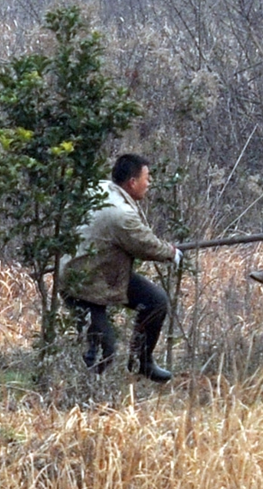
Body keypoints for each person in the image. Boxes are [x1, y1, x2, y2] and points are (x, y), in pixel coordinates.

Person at [60, 153, 183, 383]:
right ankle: (86, 393)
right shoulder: (120, 213)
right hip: (82, 283)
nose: (150, 183)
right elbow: (143, 244)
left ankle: (141, 362)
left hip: (105, 273)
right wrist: (171, 253)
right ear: (132, 182)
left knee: (155, 301)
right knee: (103, 346)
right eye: (147, 178)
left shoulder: (101, 188)